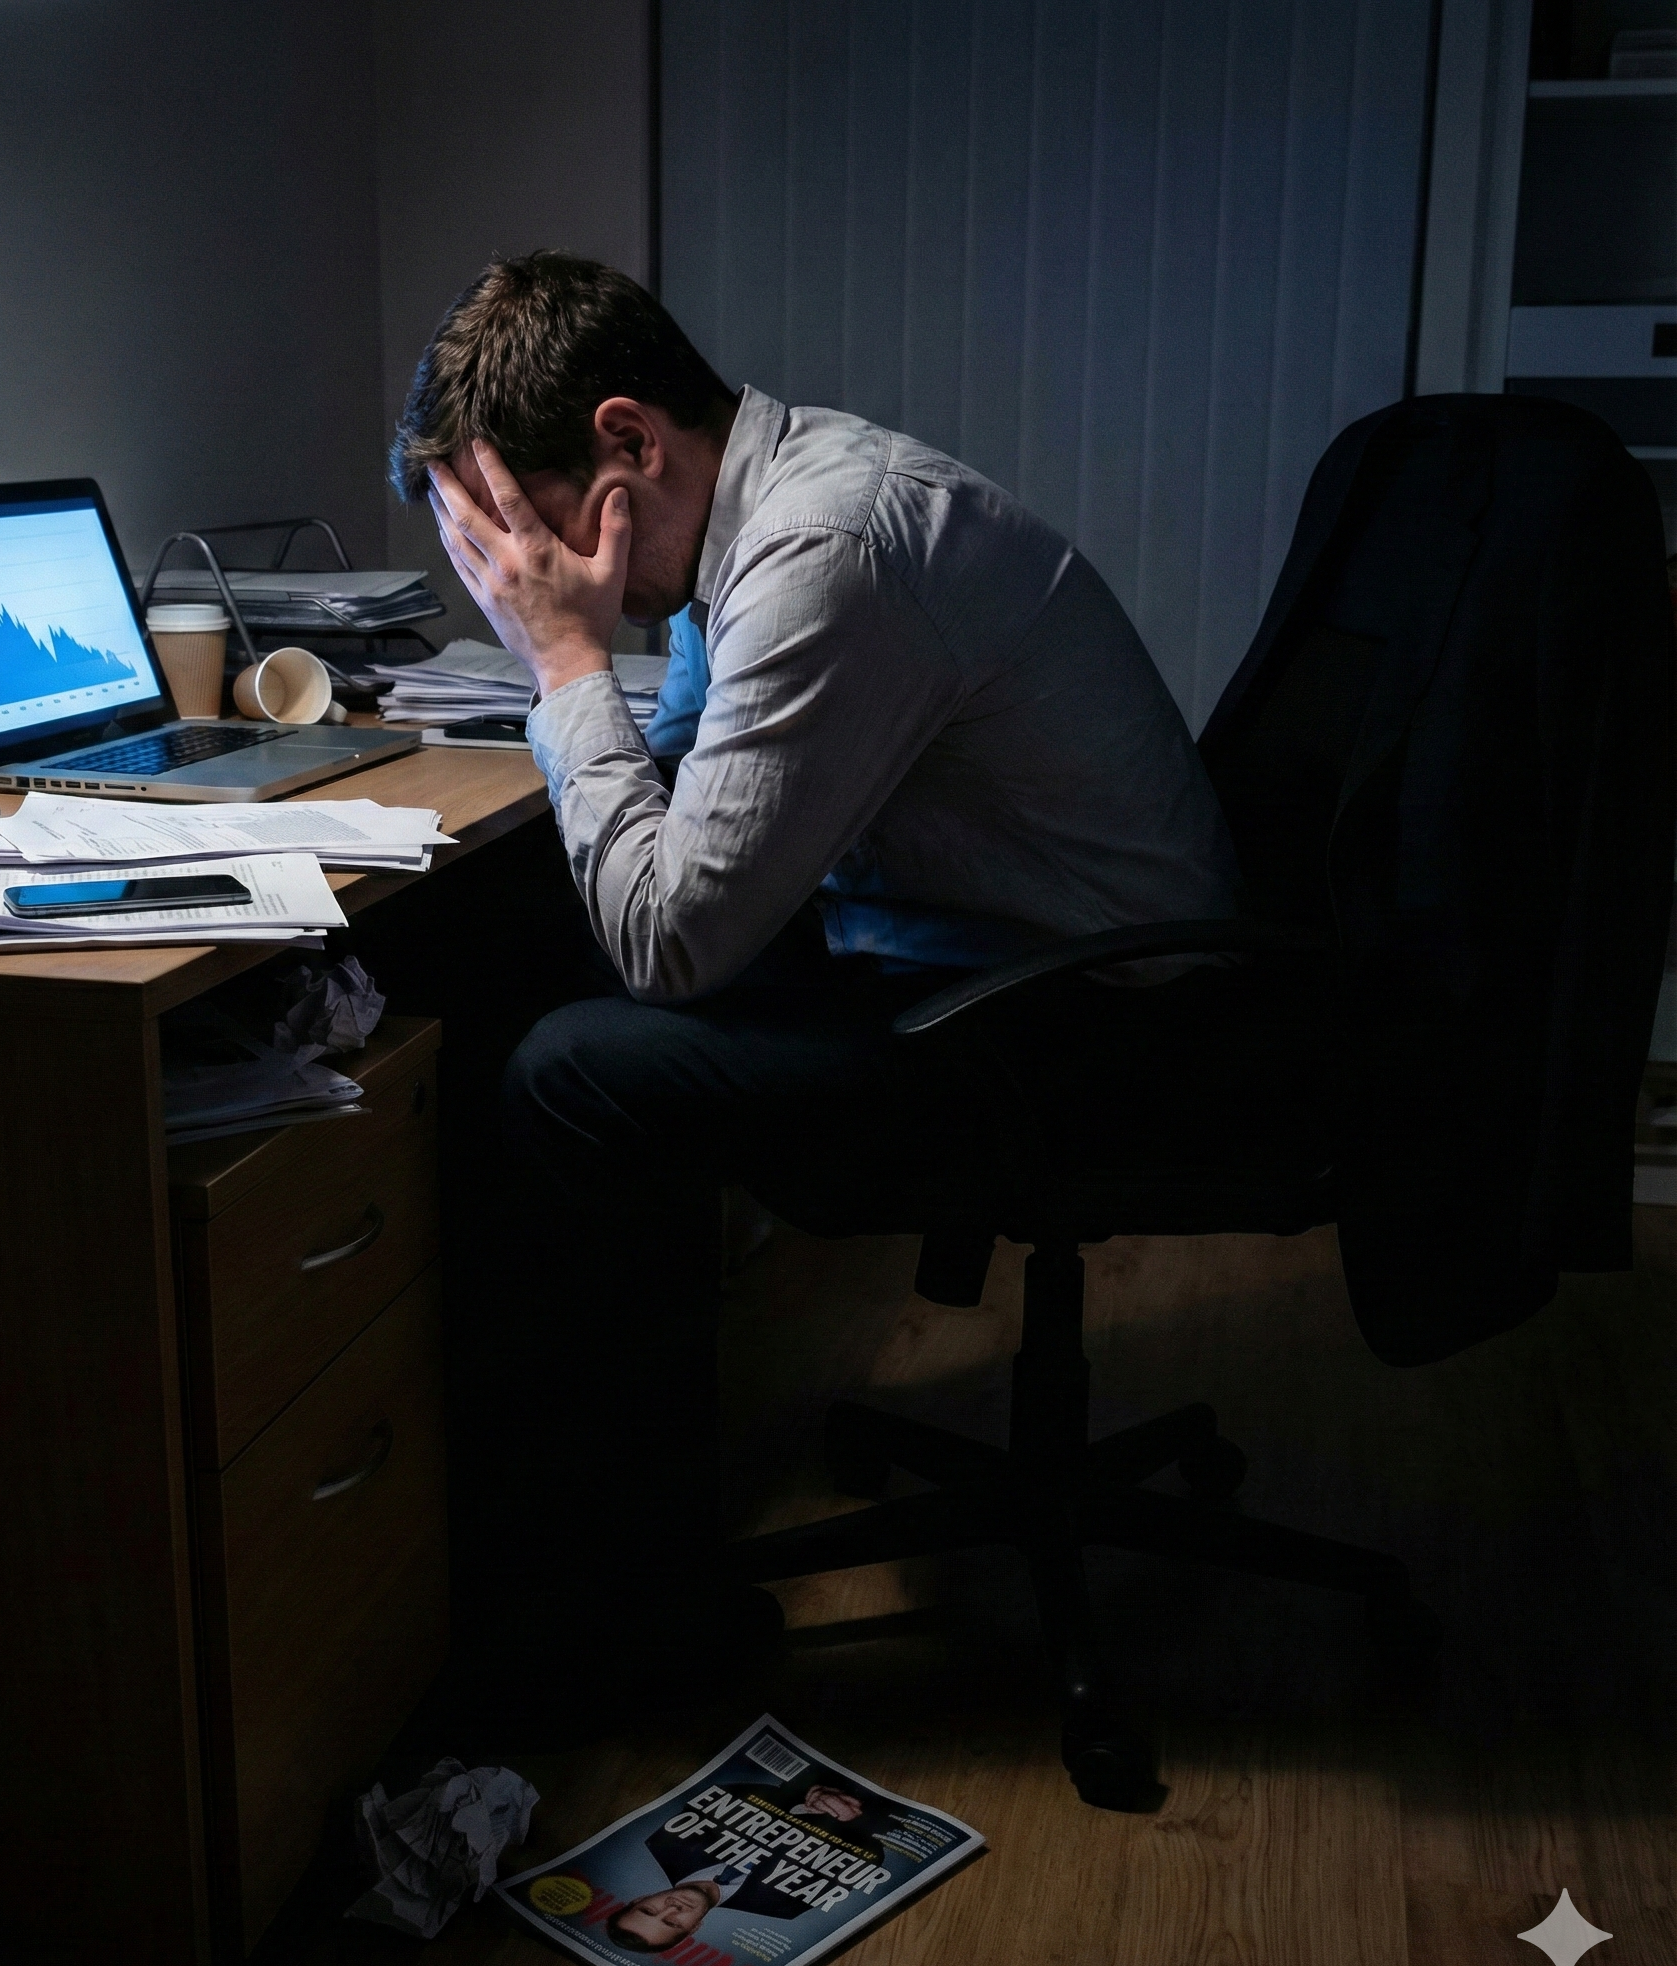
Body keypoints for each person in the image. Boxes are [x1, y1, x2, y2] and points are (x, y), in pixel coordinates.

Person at [389, 251, 1241, 1687]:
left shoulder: (826, 551)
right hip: (994, 950)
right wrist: (565, 700)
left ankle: (621, 1607)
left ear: (627, 445)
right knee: (501, 946)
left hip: (1098, 1020)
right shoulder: (757, 510)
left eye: (527, 544)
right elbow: (678, 774)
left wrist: (560, 671)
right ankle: (513, 1539)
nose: (528, 583)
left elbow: (671, 937)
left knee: (577, 1074)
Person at [606, 1781, 882, 1951]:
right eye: (672, 1923)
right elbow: (869, 1858)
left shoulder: (667, 1842)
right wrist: (857, 1816)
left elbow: (748, 1790)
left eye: (649, 1910)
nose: (671, 1908)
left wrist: (812, 1793)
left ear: (640, 1898)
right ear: (694, 1929)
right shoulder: (785, 1907)